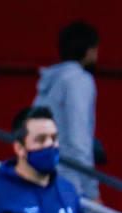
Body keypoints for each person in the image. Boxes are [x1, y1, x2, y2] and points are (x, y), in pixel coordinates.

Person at [34, 20, 100, 200]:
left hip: (42, 175)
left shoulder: (51, 80)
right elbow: (79, 139)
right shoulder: (78, 80)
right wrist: (92, 190)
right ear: (89, 50)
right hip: (69, 182)